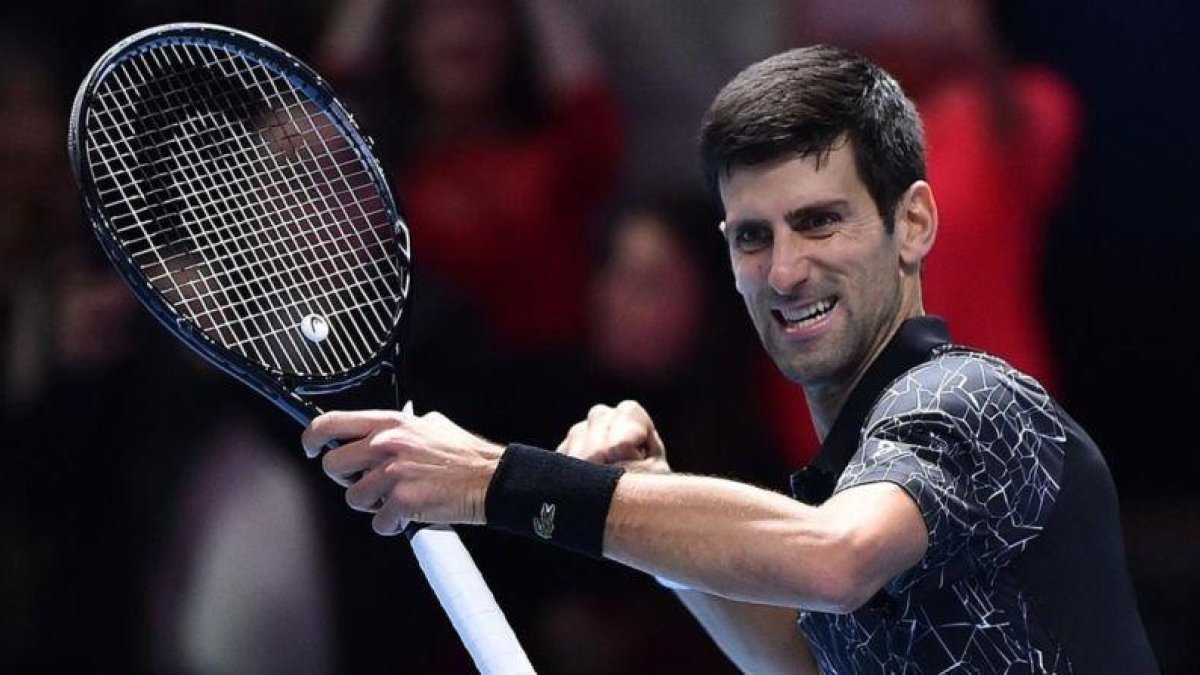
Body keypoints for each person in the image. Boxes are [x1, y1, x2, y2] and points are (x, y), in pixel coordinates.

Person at [299, 45, 1158, 673]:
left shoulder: (973, 399)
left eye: (821, 220)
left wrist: (498, 479)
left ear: (915, 224)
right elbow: (796, 661)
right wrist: (655, 495)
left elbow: (833, 558)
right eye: (754, 236)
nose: (784, 271)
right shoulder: (846, 478)